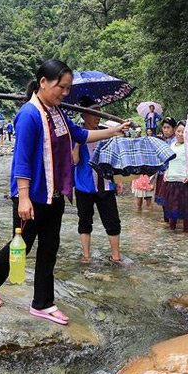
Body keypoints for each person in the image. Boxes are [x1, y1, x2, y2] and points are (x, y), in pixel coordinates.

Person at [0, 59, 131, 324]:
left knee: (50, 249)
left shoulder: (59, 113)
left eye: (68, 88)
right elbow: (22, 160)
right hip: (32, 196)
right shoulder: (29, 114)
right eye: (61, 87)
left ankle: (42, 303)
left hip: (55, 194)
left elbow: (81, 135)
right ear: (43, 83)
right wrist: (23, 198)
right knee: (22, 246)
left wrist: (114, 131)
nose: (65, 93)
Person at [73, 96, 122, 264]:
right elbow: (74, 161)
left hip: (106, 185)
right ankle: (86, 256)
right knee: (85, 221)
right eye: (94, 113)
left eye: (99, 112)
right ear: (84, 115)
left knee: (113, 221)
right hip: (84, 186)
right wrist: (79, 142)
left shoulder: (105, 133)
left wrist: (119, 181)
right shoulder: (76, 134)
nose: (98, 116)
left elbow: (114, 160)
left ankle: (116, 257)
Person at [162, 122, 188, 232]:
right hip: (171, 181)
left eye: (184, 132)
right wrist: (166, 173)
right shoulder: (171, 146)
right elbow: (169, 162)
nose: (180, 134)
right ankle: (172, 235)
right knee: (172, 210)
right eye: (179, 131)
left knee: (186, 210)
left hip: (184, 182)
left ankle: (186, 233)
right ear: (175, 131)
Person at [154, 117, 178, 221]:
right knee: (164, 199)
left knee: (171, 199)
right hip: (162, 173)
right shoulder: (165, 141)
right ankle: (167, 221)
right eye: (164, 127)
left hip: (172, 174)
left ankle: (171, 222)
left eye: (168, 127)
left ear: (174, 129)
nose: (166, 130)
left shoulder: (176, 142)